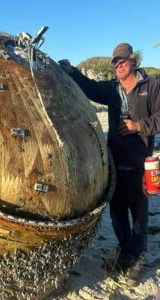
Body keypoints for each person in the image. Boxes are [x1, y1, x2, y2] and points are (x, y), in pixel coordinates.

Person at [59, 43, 160, 286]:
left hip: (141, 163)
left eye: (122, 60)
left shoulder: (152, 85)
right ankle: (126, 253)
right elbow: (91, 88)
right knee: (116, 215)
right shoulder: (112, 89)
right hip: (116, 162)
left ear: (133, 61)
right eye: (114, 62)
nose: (118, 65)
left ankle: (137, 259)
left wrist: (139, 126)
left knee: (139, 216)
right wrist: (73, 72)